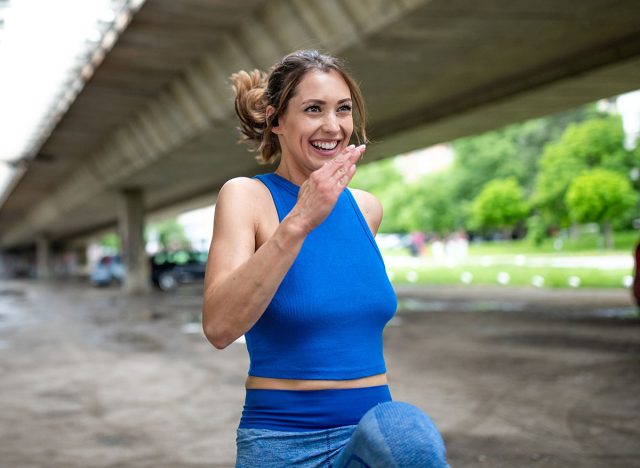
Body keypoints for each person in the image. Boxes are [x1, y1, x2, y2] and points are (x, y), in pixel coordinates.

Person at [202, 50, 449, 467]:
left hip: (369, 439)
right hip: (282, 443)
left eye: (343, 110)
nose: (333, 126)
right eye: (313, 109)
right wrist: (298, 221)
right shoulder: (247, 198)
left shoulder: (366, 208)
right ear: (276, 119)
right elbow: (220, 327)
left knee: (406, 430)